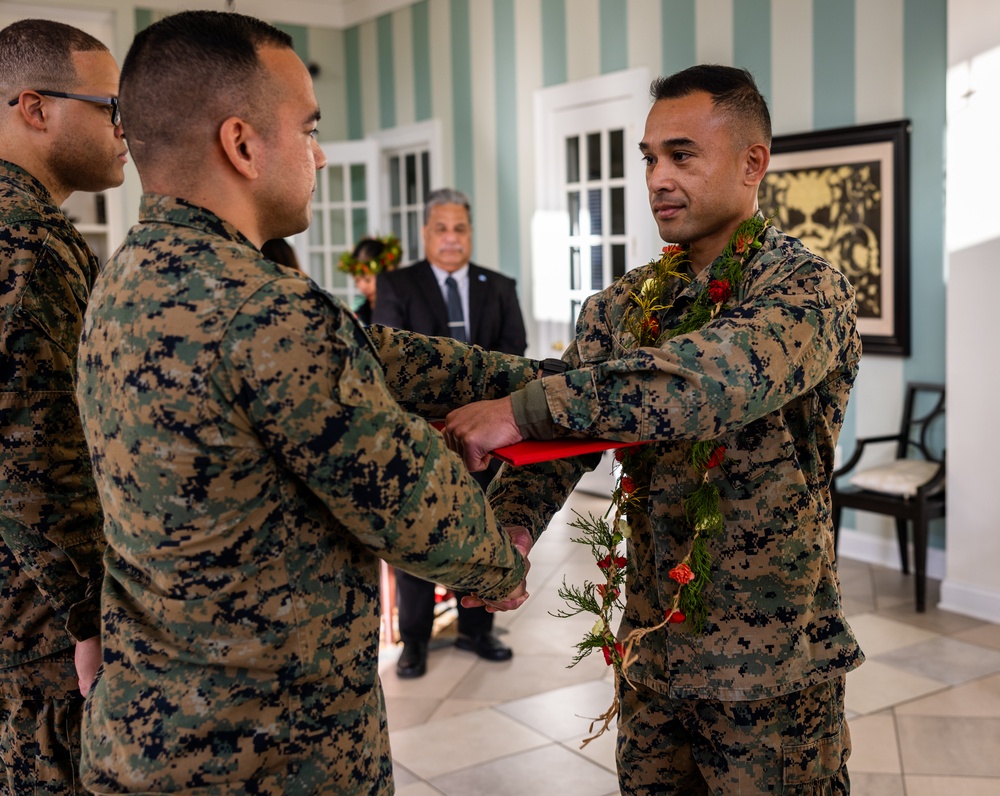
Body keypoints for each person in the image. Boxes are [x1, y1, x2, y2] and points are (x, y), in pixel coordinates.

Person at [74, 11, 529, 794]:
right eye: (309, 128)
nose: (319, 155)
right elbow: (412, 500)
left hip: (147, 732)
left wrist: (537, 381)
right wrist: (499, 560)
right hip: (272, 749)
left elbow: (378, 354)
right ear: (243, 144)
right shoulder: (264, 310)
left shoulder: (123, 281)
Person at [444, 65, 864, 794]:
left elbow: (709, 382)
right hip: (653, 654)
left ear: (752, 162)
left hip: (770, 673)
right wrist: (511, 526)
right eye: (649, 158)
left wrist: (519, 409)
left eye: (682, 155)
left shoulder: (805, 291)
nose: (657, 178)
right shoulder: (621, 307)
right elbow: (566, 434)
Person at [0, 18, 126, 795]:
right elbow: (32, 454)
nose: (126, 127)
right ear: (35, 107)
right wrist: (88, 612)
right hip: (35, 620)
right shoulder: (27, 242)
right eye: (109, 106)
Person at [373, 187, 528, 678]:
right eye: (440, 228)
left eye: (459, 228)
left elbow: (514, 359)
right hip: (424, 442)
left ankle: (476, 629)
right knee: (420, 535)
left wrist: (484, 420)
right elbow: (390, 366)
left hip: (490, 445)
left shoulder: (499, 286)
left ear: (470, 233)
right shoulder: (396, 285)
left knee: (484, 526)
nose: (450, 238)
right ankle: (415, 641)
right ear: (425, 233)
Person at [338, 233, 400, 325]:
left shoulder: (402, 307)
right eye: (357, 280)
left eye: (368, 279)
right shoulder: (358, 313)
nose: (362, 287)